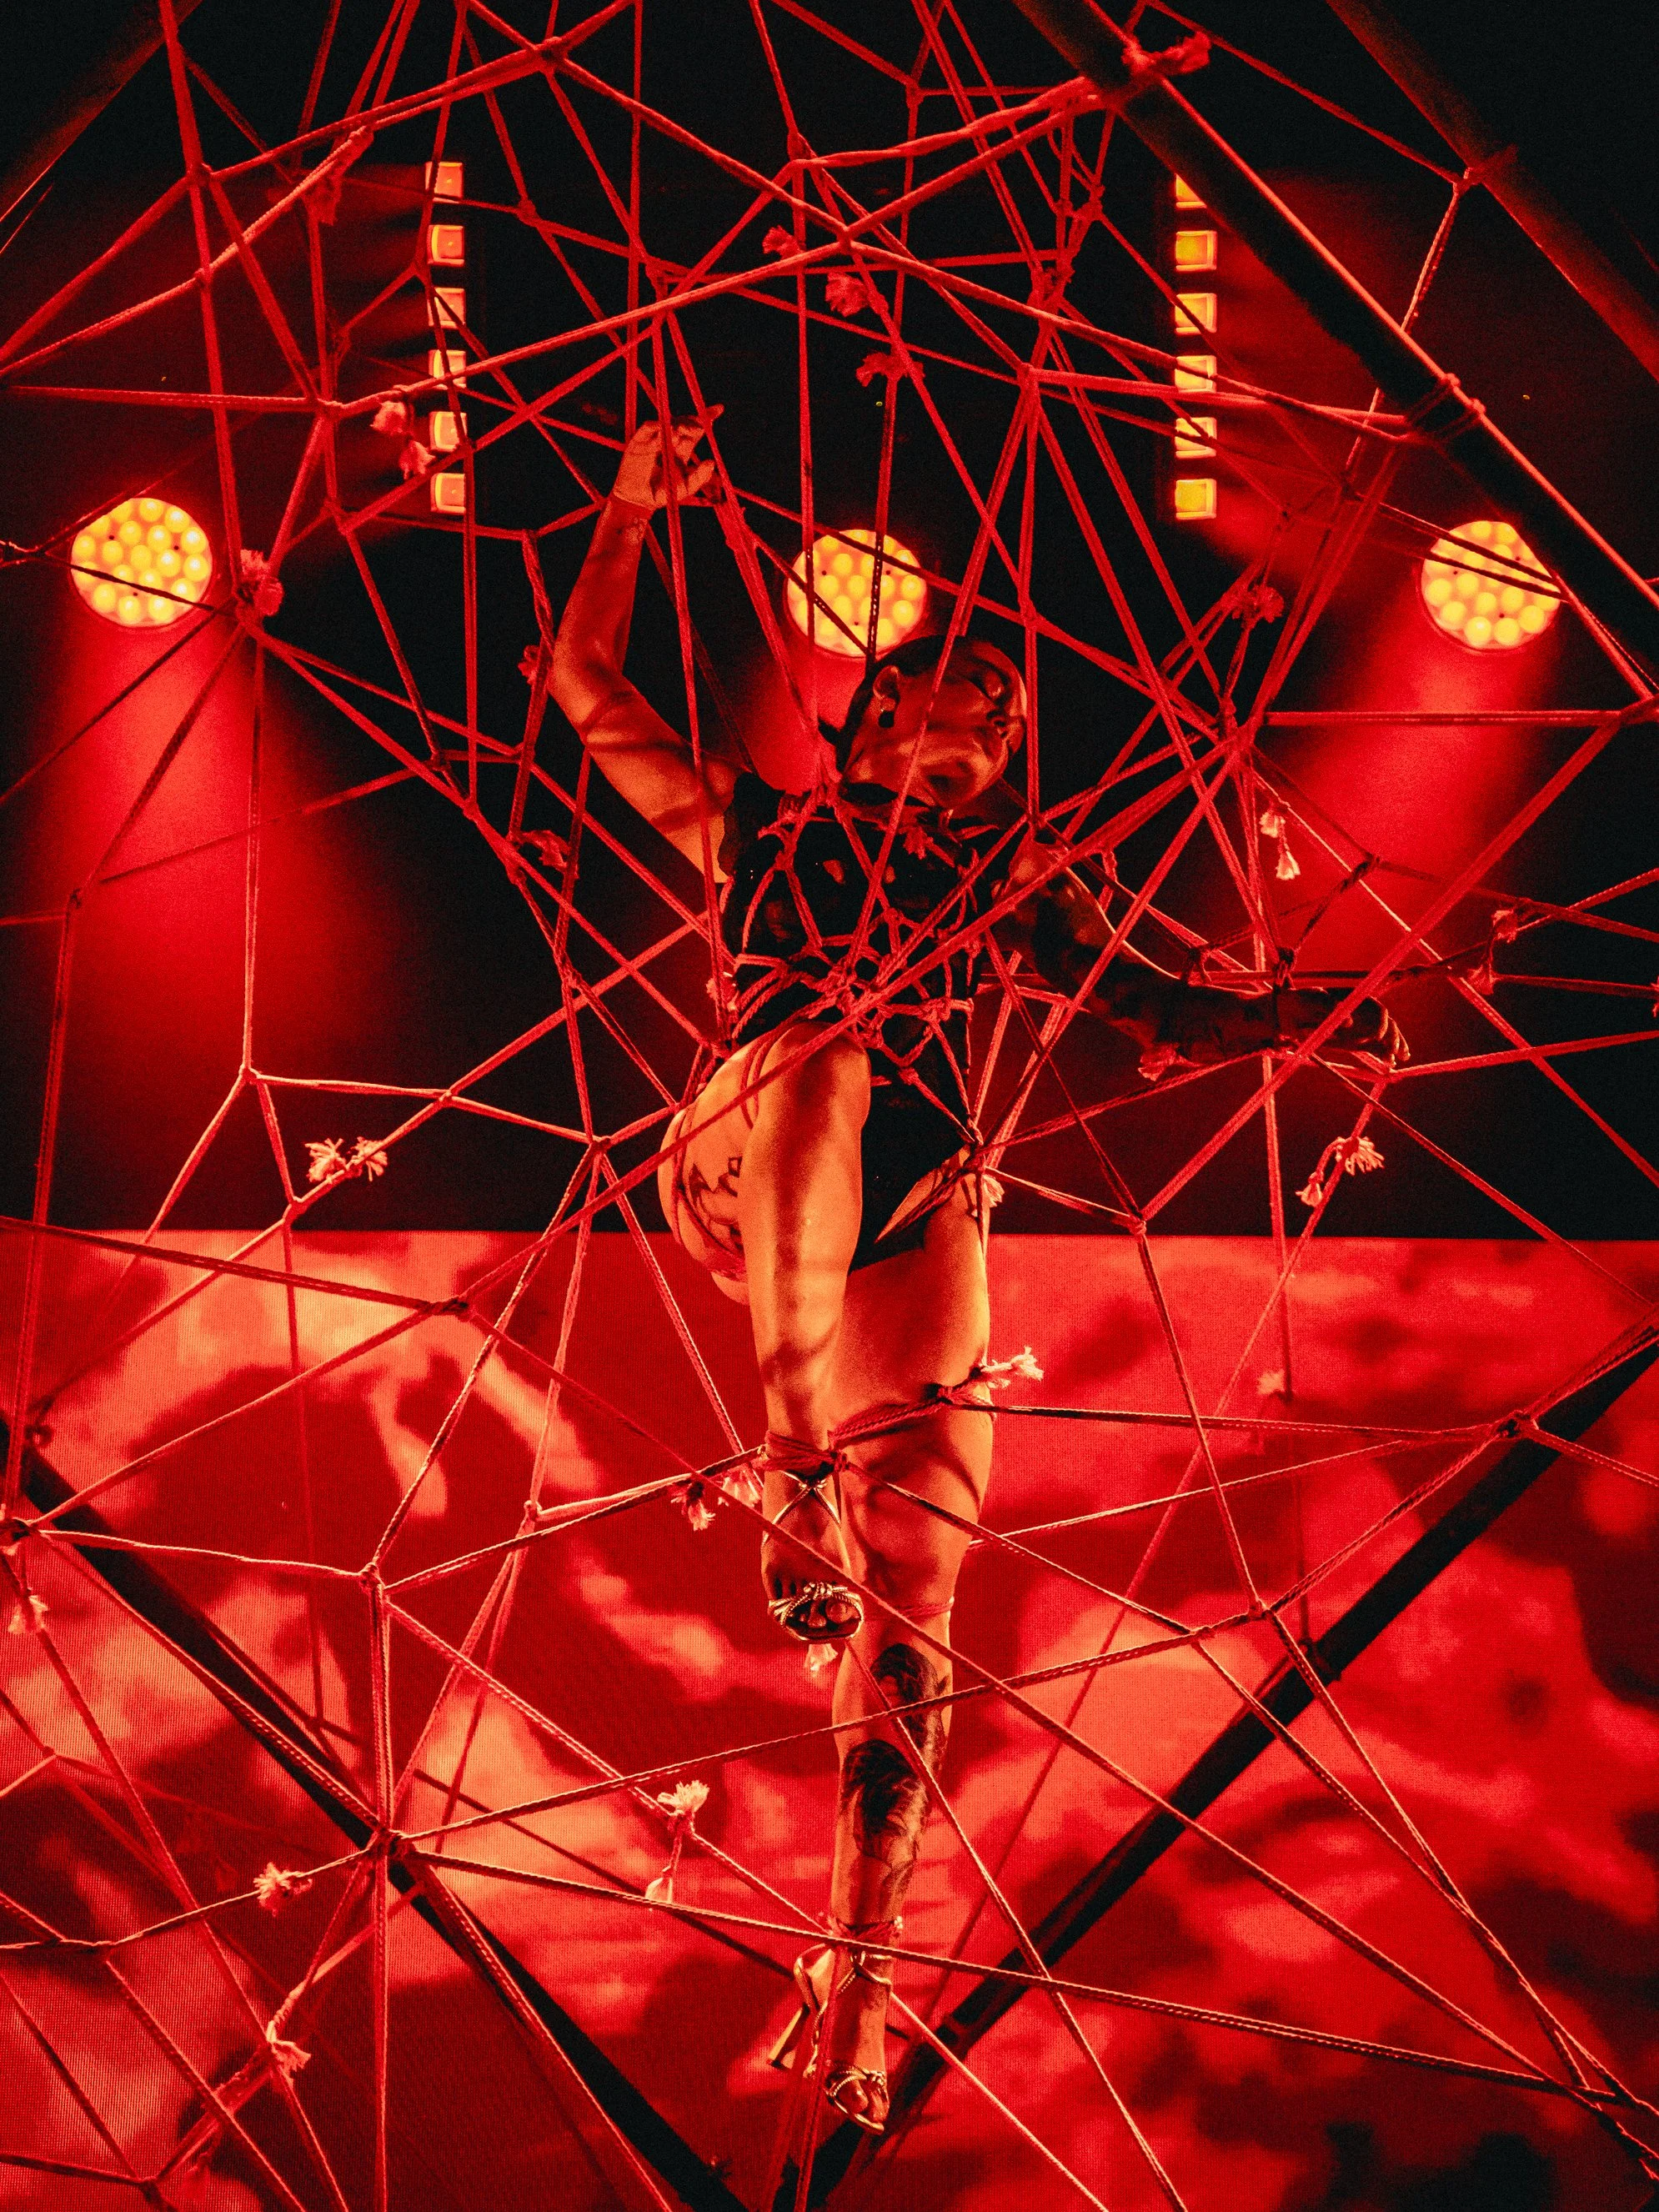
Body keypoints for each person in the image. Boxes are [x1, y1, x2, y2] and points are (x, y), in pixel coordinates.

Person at [549, 416, 1402, 2133]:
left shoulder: (1019, 881)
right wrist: (634, 513)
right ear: (876, 717)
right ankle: (786, 1471)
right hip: (748, 1153)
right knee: (829, 1065)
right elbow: (578, 679)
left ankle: (857, 1990)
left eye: (1005, 721)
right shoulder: (760, 833)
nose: (986, 731)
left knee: (916, 1606)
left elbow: (1166, 1013)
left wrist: (1310, 1016)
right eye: (957, 705)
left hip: (905, 1203)